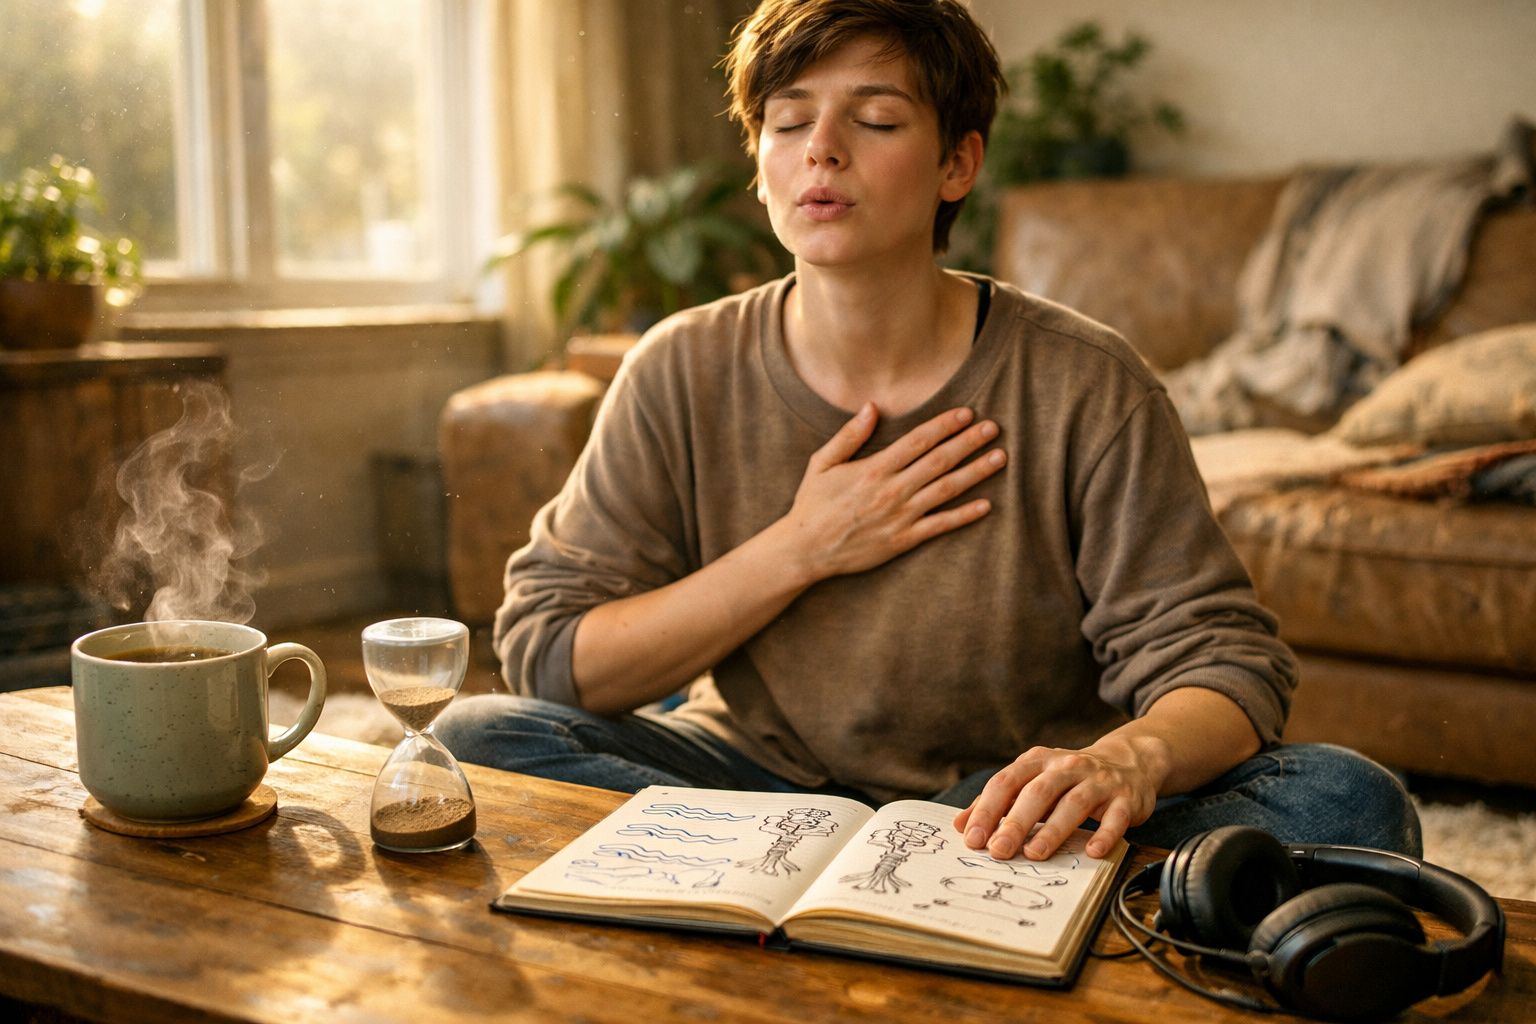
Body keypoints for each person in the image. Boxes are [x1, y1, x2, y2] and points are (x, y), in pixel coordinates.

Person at [438, 0, 1421, 861]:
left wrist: (1124, 763)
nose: (821, 148)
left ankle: (876, 877)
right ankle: (865, 878)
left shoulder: (1090, 381)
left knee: (1346, 802)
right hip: (756, 787)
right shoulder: (681, 365)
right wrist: (803, 545)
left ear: (959, 163)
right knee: (479, 735)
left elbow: (1225, 664)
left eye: (873, 119)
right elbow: (549, 651)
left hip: (1007, 807)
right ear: (762, 164)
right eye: (788, 122)